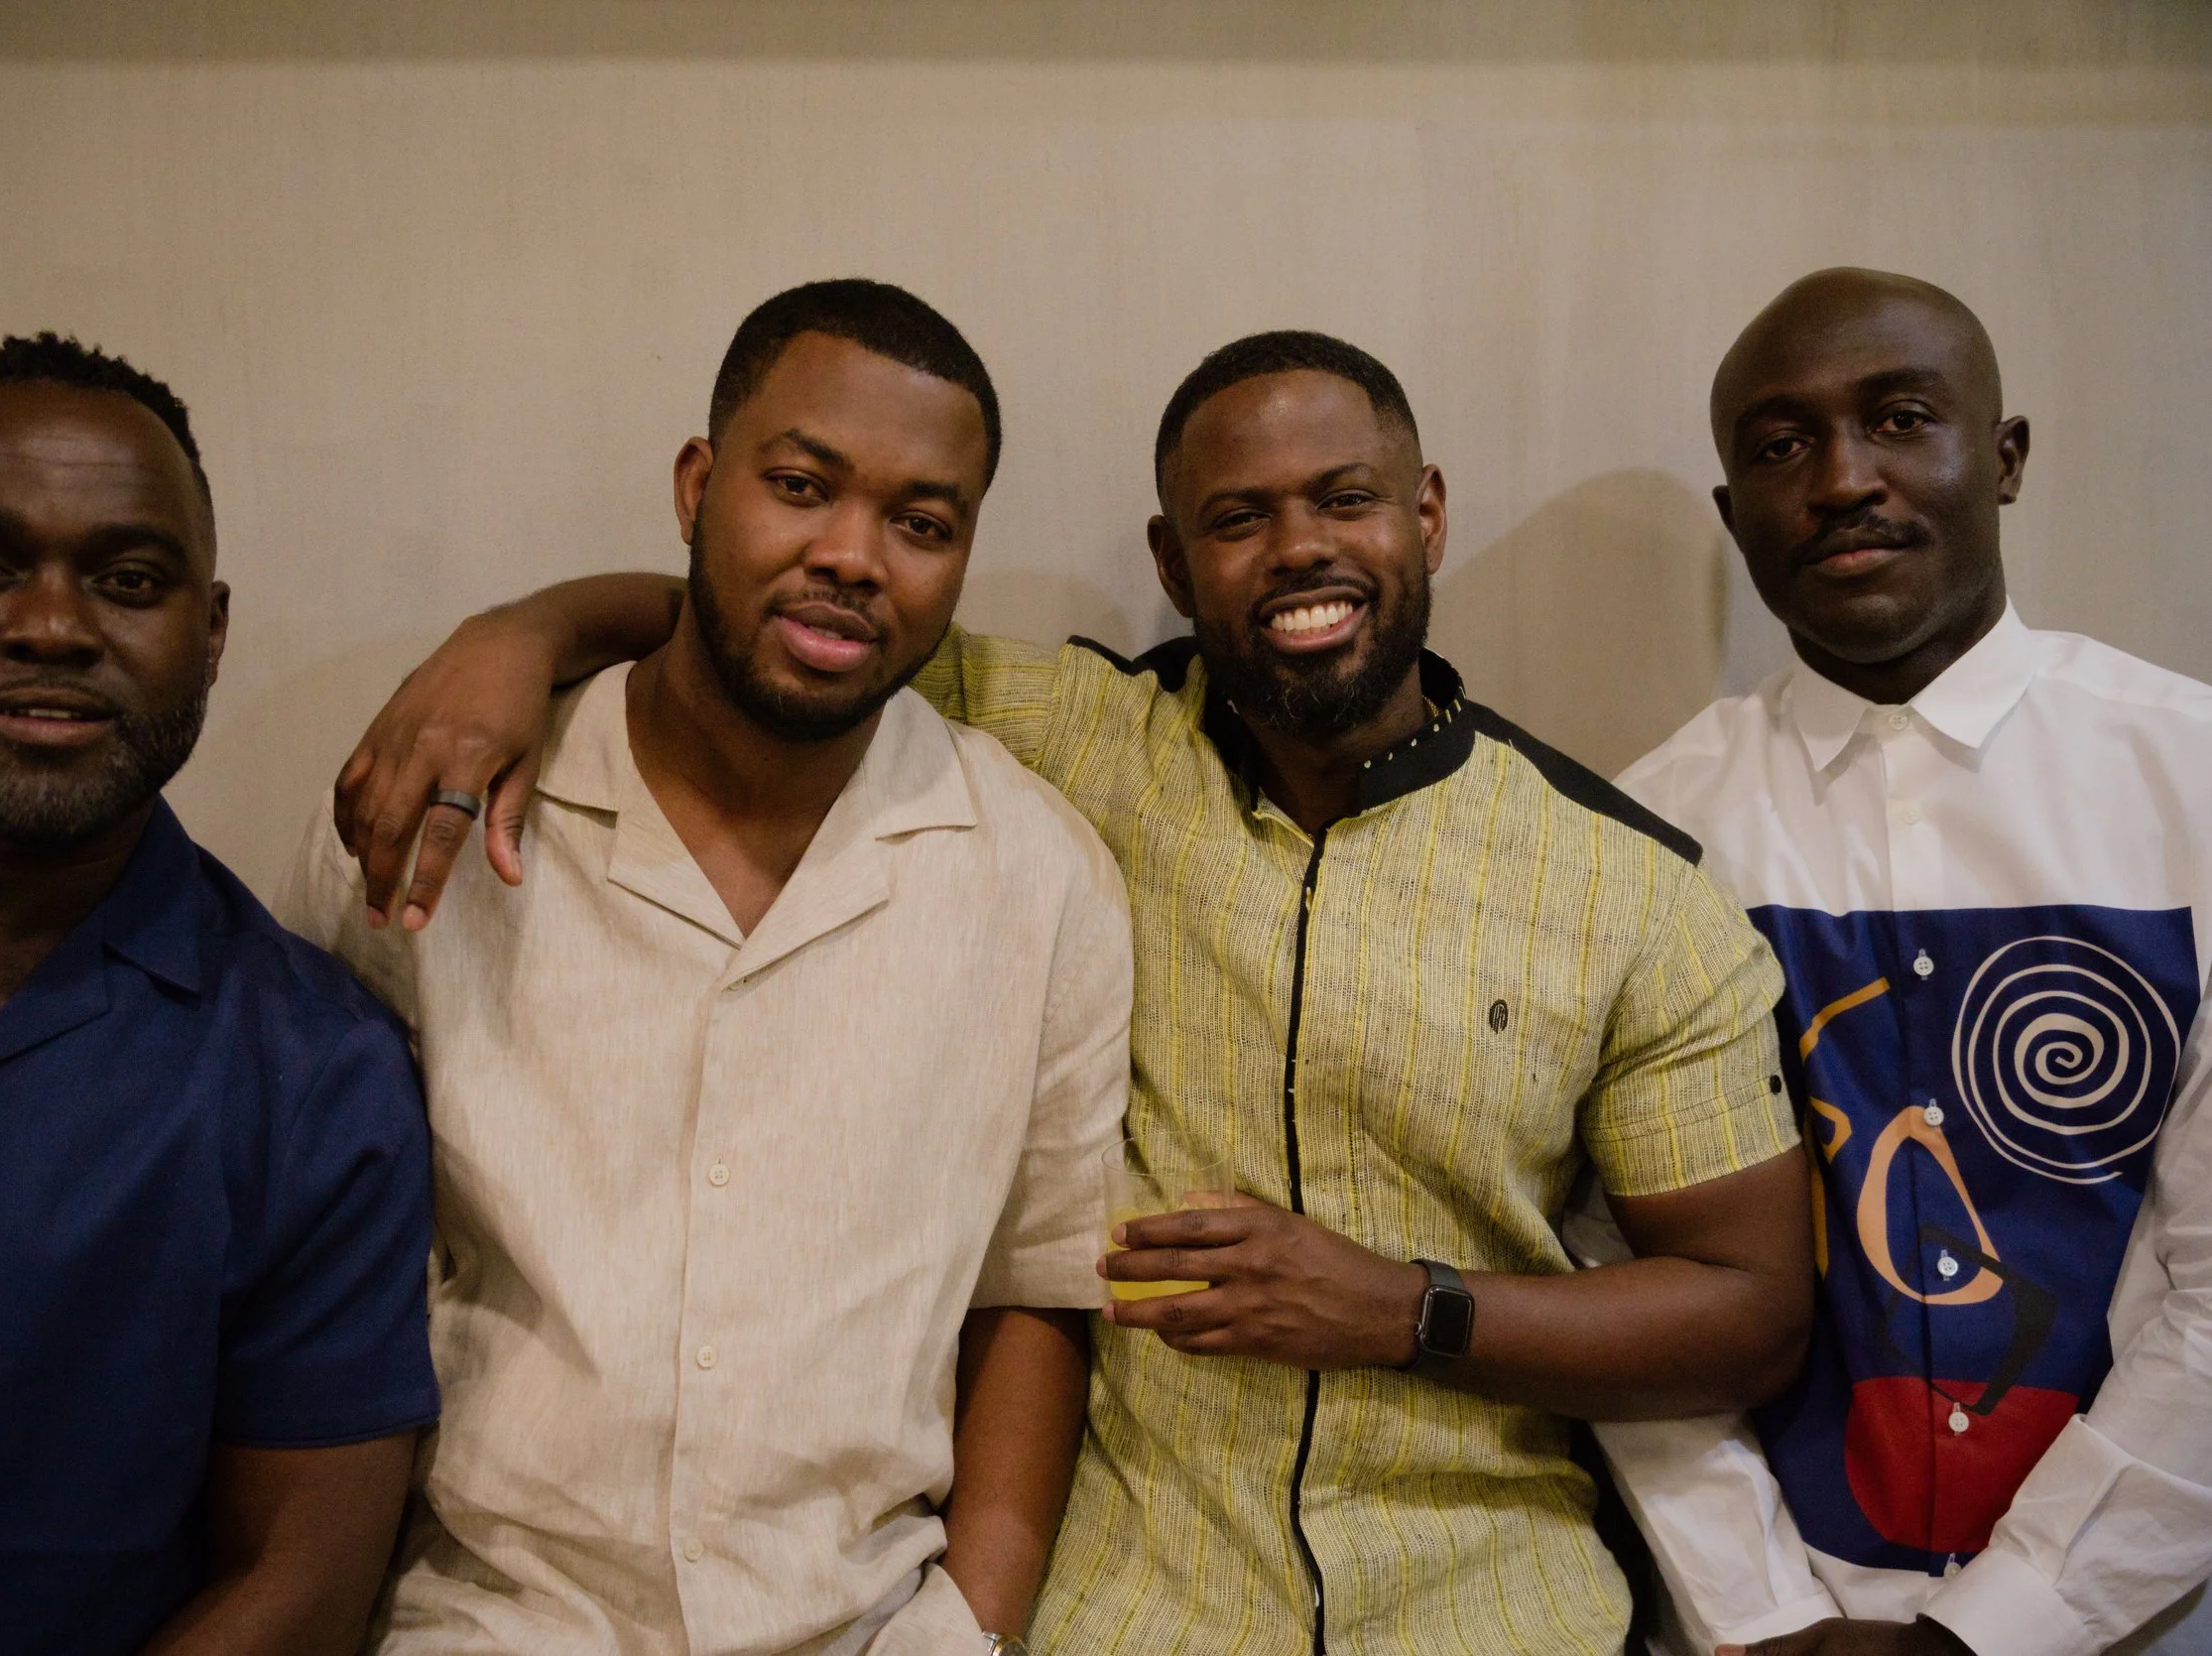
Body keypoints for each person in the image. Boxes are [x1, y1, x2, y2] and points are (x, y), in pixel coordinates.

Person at [324, 327, 1817, 1656]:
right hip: (1127, 1605)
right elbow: (790, 623)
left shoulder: (1631, 890)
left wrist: (1403, 1311)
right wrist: (512, 638)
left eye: (1346, 500)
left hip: (1494, 1600)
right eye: (1238, 519)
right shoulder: (1081, 742)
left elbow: (1751, 1313)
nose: (1298, 549)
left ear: (1424, 514)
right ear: (1175, 564)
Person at [276, 279, 1132, 1655]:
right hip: (489, 1619)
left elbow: (1034, 1290)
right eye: (801, 485)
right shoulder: (444, 815)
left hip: (866, 1622)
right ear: (696, 485)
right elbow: (299, 1260)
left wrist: (967, 1626)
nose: (854, 555)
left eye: (922, 524)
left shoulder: (1037, 877)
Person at [0, 335, 438, 1656]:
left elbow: (301, 1583)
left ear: (211, 635)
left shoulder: (318, 1075)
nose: (52, 627)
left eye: (127, 580)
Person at [1584, 268, 2212, 1656]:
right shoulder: (1642, 839)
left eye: (1901, 419)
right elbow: (1617, 1269)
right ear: (1731, 509)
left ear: (2004, 459)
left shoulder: (2195, 781)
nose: (1843, 480)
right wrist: (1761, 1611)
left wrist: (1994, 1631)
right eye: (1781, 445)